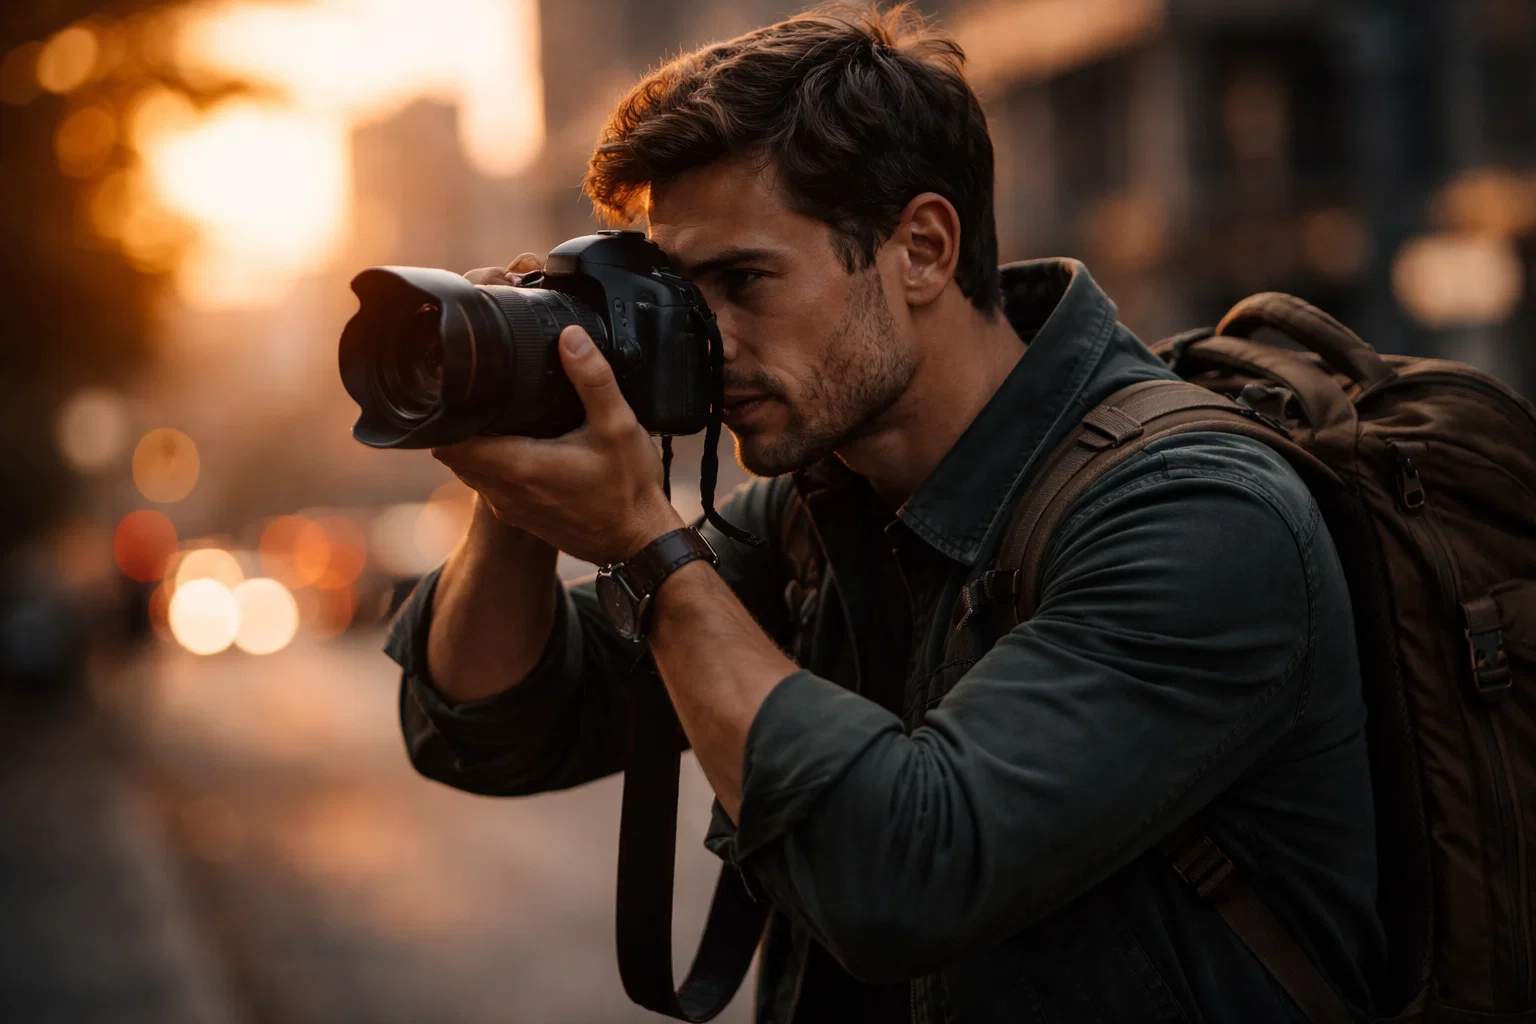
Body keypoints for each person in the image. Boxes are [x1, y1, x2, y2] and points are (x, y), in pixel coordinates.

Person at [386, 5, 1385, 1021]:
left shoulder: (1194, 516)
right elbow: (495, 726)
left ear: (922, 249)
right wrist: (519, 452)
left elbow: (910, 874)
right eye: (681, 295)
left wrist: (647, 545)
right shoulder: (821, 512)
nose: (706, 339)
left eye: (742, 280)